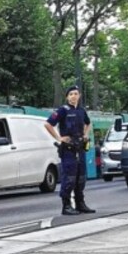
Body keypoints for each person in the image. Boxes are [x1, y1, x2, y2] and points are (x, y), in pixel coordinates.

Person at [45, 85, 96, 216]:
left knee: (81, 177)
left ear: (79, 96)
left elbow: (88, 123)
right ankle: (66, 206)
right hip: (68, 149)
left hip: (80, 148)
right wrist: (59, 138)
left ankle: (80, 204)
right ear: (67, 97)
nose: (73, 96)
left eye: (76, 93)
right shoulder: (63, 110)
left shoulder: (81, 111)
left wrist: (85, 134)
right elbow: (48, 124)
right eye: (71, 94)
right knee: (69, 177)